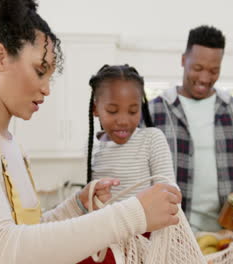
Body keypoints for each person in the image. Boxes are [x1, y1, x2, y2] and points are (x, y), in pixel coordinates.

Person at [0, 1, 182, 263]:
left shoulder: (8, 144)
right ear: (0, 58)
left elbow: (29, 235)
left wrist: (77, 205)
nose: (47, 89)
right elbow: (0, 251)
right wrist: (133, 214)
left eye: (49, 77)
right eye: (40, 71)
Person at [148, 25, 233, 235]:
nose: (205, 78)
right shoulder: (153, 112)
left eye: (214, 70)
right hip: (172, 237)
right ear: (183, 60)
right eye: (198, 68)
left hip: (230, 238)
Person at [79, 64, 176, 263]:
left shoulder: (151, 139)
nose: (123, 121)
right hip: (108, 241)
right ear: (95, 109)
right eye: (113, 111)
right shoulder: (93, 147)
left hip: (147, 241)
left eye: (133, 112)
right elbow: (90, 203)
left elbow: (171, 194)